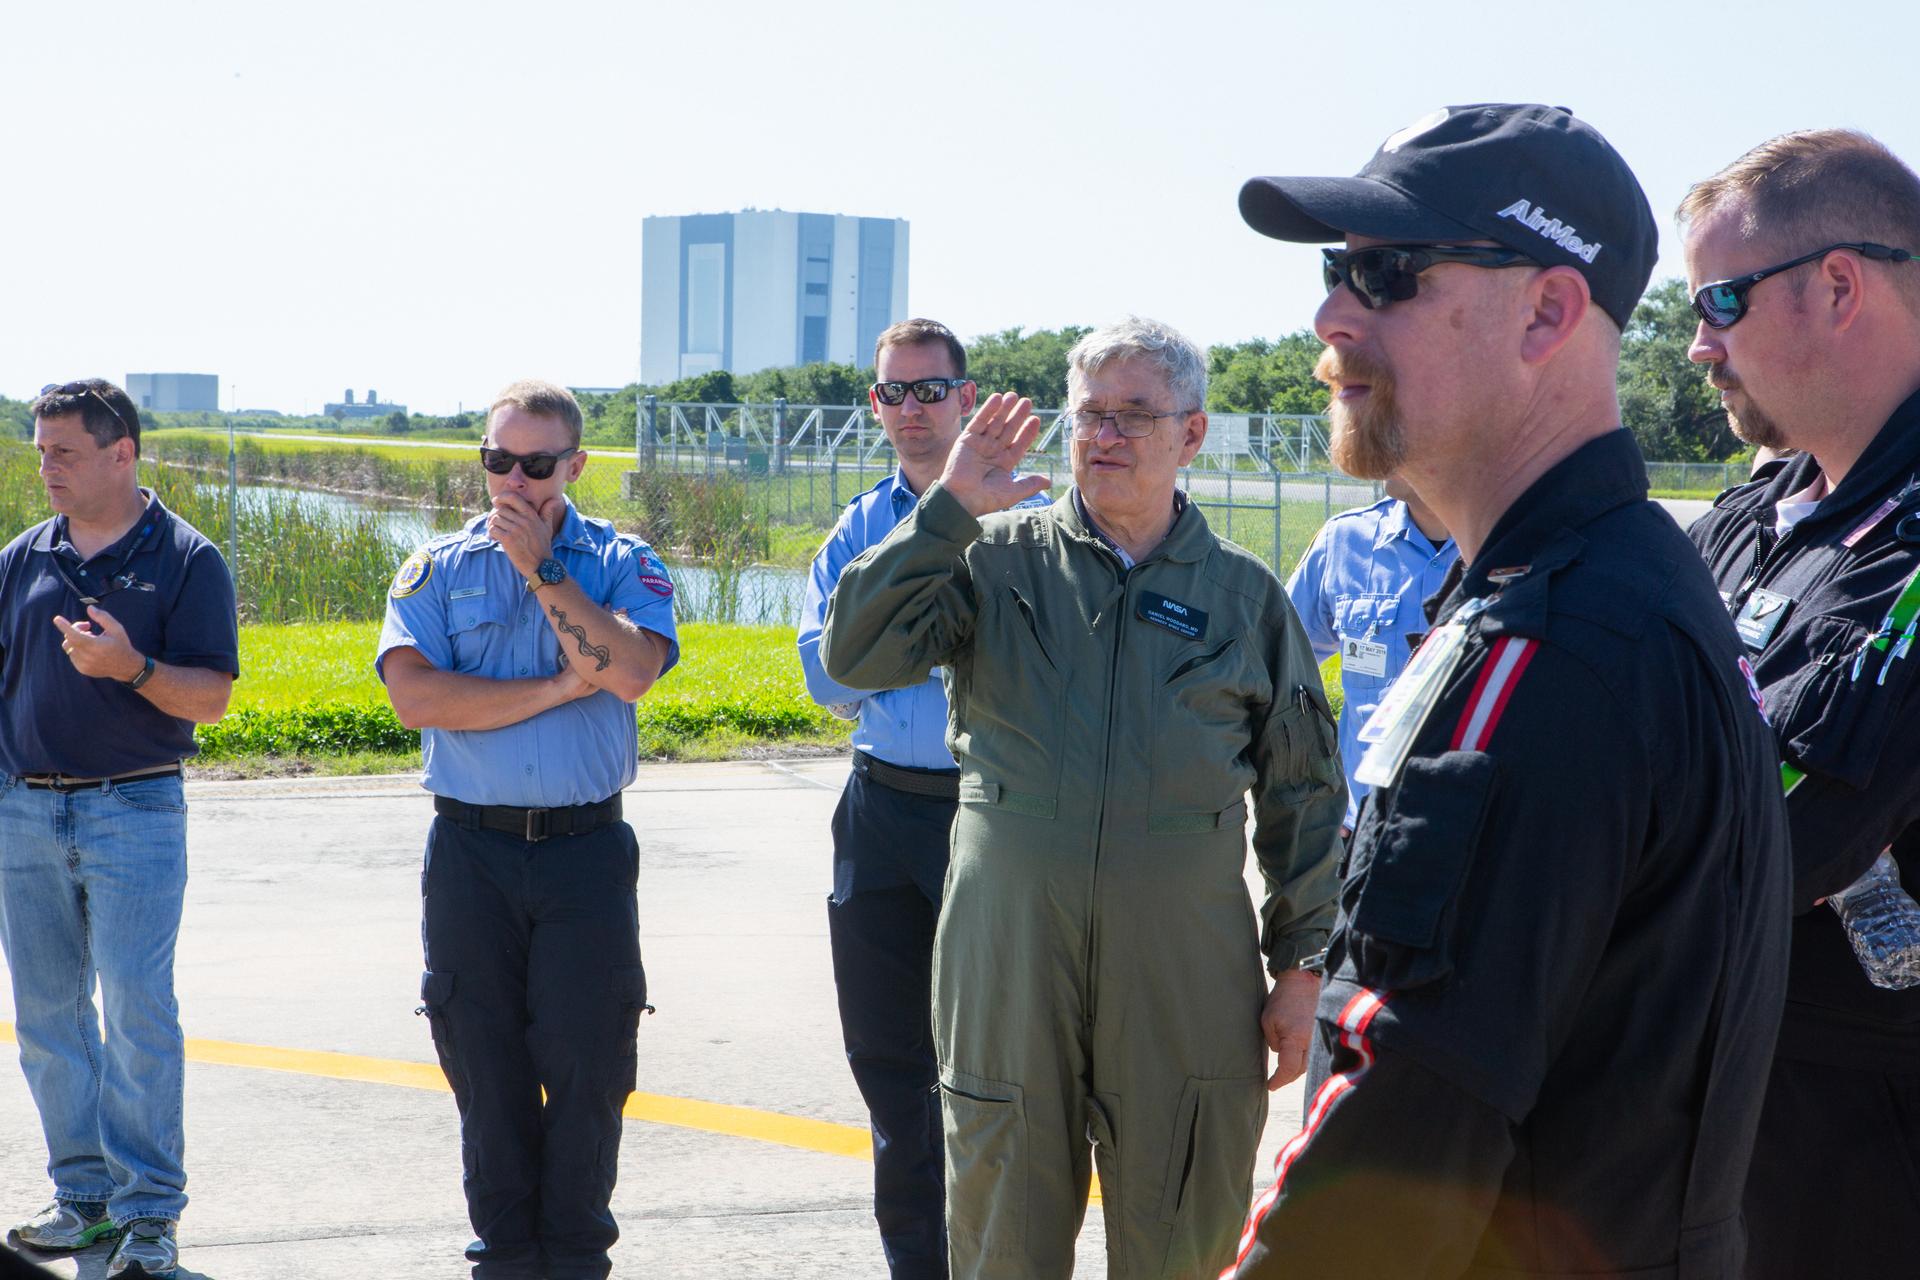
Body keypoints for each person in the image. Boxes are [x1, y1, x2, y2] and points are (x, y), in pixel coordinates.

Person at [1224, 103, 1792, 1277]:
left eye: (1389, 272)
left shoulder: (1551, 643)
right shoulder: (1624, 580)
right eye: (1335, 269)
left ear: (1546, 312)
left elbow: (1389, 1164)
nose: (1331, 316)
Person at [821, 316, 1346, 1279]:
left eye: (1134, 415)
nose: (1105, 434)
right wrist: (946, 509)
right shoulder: (989, 558)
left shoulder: (1243, 599)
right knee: (1001, 1233)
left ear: (1191, 434)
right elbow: (852, 654)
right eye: (1089, 414)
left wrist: (1303, 967)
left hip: (1184, 969)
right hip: (1009, 957)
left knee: (1183, 1233)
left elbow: (1304, 796)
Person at [1679, 129, 1920, 1277]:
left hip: (1867, 1162)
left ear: (1837, 286)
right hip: (1737, 1129)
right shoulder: (1754, 513)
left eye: (1721, 301)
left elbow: (1781, 834)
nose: (1699, 344)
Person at [377, 380, 678, 1280]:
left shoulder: (619, 561)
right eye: (497, 460)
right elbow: (415, 699)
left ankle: (578, 1255)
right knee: (484, 1062)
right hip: (471, 851)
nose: (514, 480)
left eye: (536, 464)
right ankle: (505, 1256)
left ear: (574, 466)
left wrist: (545, 571)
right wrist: (554, 689)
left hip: (586, 852)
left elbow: (629, 672)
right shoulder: (436, 569)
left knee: (591, 1062)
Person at [798, 319, 1045, 1278]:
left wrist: (885, 643)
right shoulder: (858, 529)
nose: (912, 410)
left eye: (930, 390)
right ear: (875, 405)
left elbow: (1031, 672)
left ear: (967, 398)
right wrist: (930, 647)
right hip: (879, 812)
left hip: (991, 813)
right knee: (891, 1070)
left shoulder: (1026, 518)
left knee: (997, 1069)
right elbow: (826, 678)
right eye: (893, 392)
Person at [0, 379, 238, 1280]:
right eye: (41, 452)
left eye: (64, 452)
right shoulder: (22, 558)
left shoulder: (187, 559)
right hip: (23, 811)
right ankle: (84, 1200)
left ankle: (148, 1215)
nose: (47, 468)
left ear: (121, 453)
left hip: (133, 809)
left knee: (138, 1012)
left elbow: (210, 699)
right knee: (47, 1018)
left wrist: (132, 668)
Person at [1285, 474, 1456, 833]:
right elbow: (1270, 667)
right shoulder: (1346, 542)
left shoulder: (1518, 548)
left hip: (1469, 833)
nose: (1382, 449)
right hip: (1359, 828)